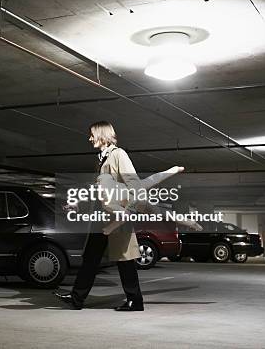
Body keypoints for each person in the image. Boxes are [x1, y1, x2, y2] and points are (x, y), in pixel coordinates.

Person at [54, 120, 188, 311]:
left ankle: (135, 300)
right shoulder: (101, 158)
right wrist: (78, 203)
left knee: (124, 258)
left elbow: (134, 184)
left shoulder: (119, 155)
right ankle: (77, 298)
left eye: (92, 134)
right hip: (101, 216)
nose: (89, 138)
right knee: (91, 258)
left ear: (102, 135)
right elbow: (97, 188)